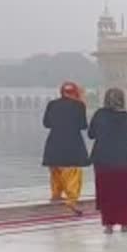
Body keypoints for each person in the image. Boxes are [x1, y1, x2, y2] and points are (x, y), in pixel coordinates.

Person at [88, 88, 127, 234]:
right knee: (125, 193)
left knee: (107, 192)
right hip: (124, 161)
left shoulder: (99, 115)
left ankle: (108, 225)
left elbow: (91, 134)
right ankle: (125, 223)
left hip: (103, 161)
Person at [42, 81, 89, 216]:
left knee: (55, 170)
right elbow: (83, 125)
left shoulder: (52, 104)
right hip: (71, 144)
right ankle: (72, 200)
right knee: (73, 173)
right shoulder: (79, 106)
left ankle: (56, 195)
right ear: (75, 93)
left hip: (54, 143)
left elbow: (46, 124)